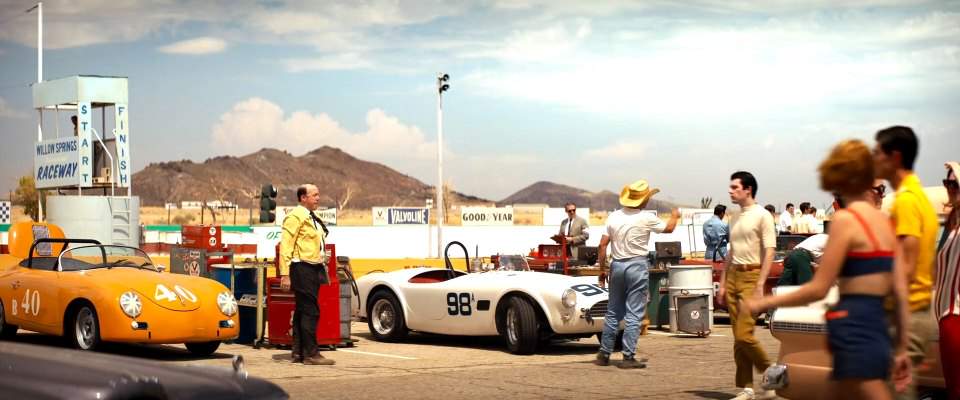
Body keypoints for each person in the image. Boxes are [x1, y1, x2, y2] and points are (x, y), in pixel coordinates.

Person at [742, 139, 911, 400]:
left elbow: (818, 289)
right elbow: (900, 291)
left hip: (853, 327)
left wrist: (765, 302)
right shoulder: (886, 224)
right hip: (880, 329)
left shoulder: (846, 220)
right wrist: (901, 349)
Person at [873, 126, 939, 399]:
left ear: (895, 157)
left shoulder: (907, 202)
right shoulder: (919, 197)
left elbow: (906, 269)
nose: (874, 159)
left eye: (878, 153)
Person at [593, 180, 680, 369]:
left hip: (617, 265)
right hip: (637, 265)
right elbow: (669, 229)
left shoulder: (613, 217)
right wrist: (675, 215)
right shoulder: (646, 217)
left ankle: (604, 353)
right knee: (634, 312)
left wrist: (602, 269)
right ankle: (628, 356)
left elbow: (602, 245)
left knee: (613, 311)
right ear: (643, 200)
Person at [717, 171, 776, 400]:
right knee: (738, 337)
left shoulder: (763, 216)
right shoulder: (735, 216)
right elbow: (731, 252)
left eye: (735, 187)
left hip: (752, 276)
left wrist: (761, 283)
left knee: (744, 335)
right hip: (733, 277)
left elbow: (770, 250)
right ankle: (747, 388)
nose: (731, 191)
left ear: (748, 189)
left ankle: (771, 373)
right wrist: (722, 282)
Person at [279, 184, 335, 366]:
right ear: (303, 198)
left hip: (312, 267)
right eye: (314, 195)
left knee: (302, 311)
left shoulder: (311, 217)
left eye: (318, 195)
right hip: (301, 268)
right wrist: (285, 274)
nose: (318, 198)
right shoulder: (295, 217)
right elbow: (286, 246)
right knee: (311, 311)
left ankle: (298, 353)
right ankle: (311, 354)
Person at [934, 161, 960, 399]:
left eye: (955, 183)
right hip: (946, 317)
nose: (949, 187)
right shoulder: (953, 223)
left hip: (955, 317)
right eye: (947, 182)